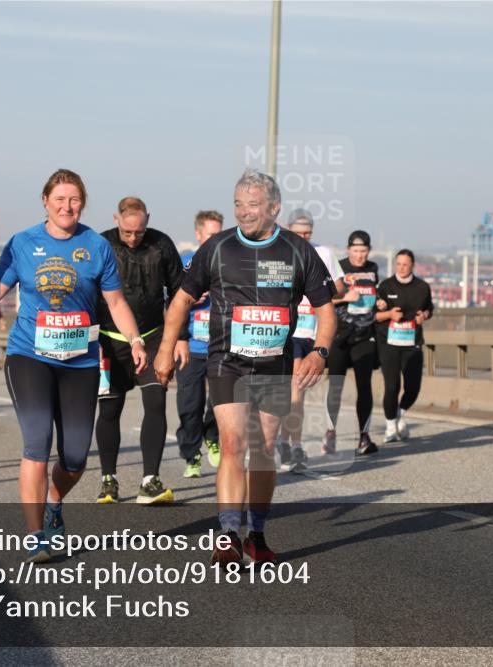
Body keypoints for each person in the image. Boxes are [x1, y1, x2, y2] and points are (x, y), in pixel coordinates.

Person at [155, 169, 336, 565]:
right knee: (234, 443)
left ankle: (255, 533)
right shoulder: (217, 248)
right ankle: (226, 535)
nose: (244, 212)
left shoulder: (296, 250)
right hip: (227, 362)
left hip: (273, 365)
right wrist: (167, 348)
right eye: (238, 204)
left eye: (253, 205)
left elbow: (325, 309)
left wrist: (319, 351)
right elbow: (182, 300)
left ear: (274, 208)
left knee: (264, 447)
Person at [0, 168, 145, 563]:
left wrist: (136, 339)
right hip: (29, 356)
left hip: (79, 360)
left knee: (75, 458)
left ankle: (54, 502)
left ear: (82, 203)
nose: (67, 206)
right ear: (45, 202)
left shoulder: (96, 246)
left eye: (74, 200)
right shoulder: (23, 243)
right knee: (36, 443)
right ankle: (35, 535)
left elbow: (116, 303)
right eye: (59, 200)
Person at [94, 196, 184, 505]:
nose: (134, 238)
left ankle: (150, 481)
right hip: (109, 338)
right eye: (128, 232)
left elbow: (179, 293)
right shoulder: (101, 244)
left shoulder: (162, 244)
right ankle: (109, 480)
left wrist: (180, 338)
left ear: (148, 220)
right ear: (116, 219)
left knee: (156, 401)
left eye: (140, 231)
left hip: (153, 335)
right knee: (110, 408)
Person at [279, 208, 345, 471]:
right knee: (293, 390)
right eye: (299, 233)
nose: (304, 238)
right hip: (288, 331)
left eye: (308, 233)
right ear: (288, 230)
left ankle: (288, 444)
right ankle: (291, 446)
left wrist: (318, 287)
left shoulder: (324, 253)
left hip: (313, 331)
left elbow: (340, 288)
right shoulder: (280, 252)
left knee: (298, 392)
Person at [323, 230, 380, 456]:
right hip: (339, 336)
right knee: (335, 386)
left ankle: (364, 437)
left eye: (363, 251)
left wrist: (381, 302)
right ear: (348, 250)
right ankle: (330, 432)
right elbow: (323, 296)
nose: (360, 255)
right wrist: (345, 297)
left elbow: (374, 295)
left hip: (364, 334)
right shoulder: (338, 267)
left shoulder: (373, 269)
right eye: (356, 251)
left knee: (364, 386)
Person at [176, 210, 224, 479]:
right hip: (191, 347)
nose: (214, 241)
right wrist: (190, 298)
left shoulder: (230, 264)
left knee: (221, 402)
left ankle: (213, 436)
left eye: (219, 235)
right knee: (189, 404)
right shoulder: (185, 263)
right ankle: (191, 455)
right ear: (198, 235)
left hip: (221, 347)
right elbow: (170, 305)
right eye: (209, 236)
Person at [375, 250, 433, 442]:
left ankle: (399, 413)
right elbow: (374, 313)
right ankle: (391, 426)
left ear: (412, 266)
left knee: (413, 387)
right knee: (392, 386)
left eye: (405, 264)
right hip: (389, 342)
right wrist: (388, 312)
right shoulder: (385, 286)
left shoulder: (422, 287)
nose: (401, 267)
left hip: (412, 342)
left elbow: (429, 309)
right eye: (398, 264)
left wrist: (424, 315)